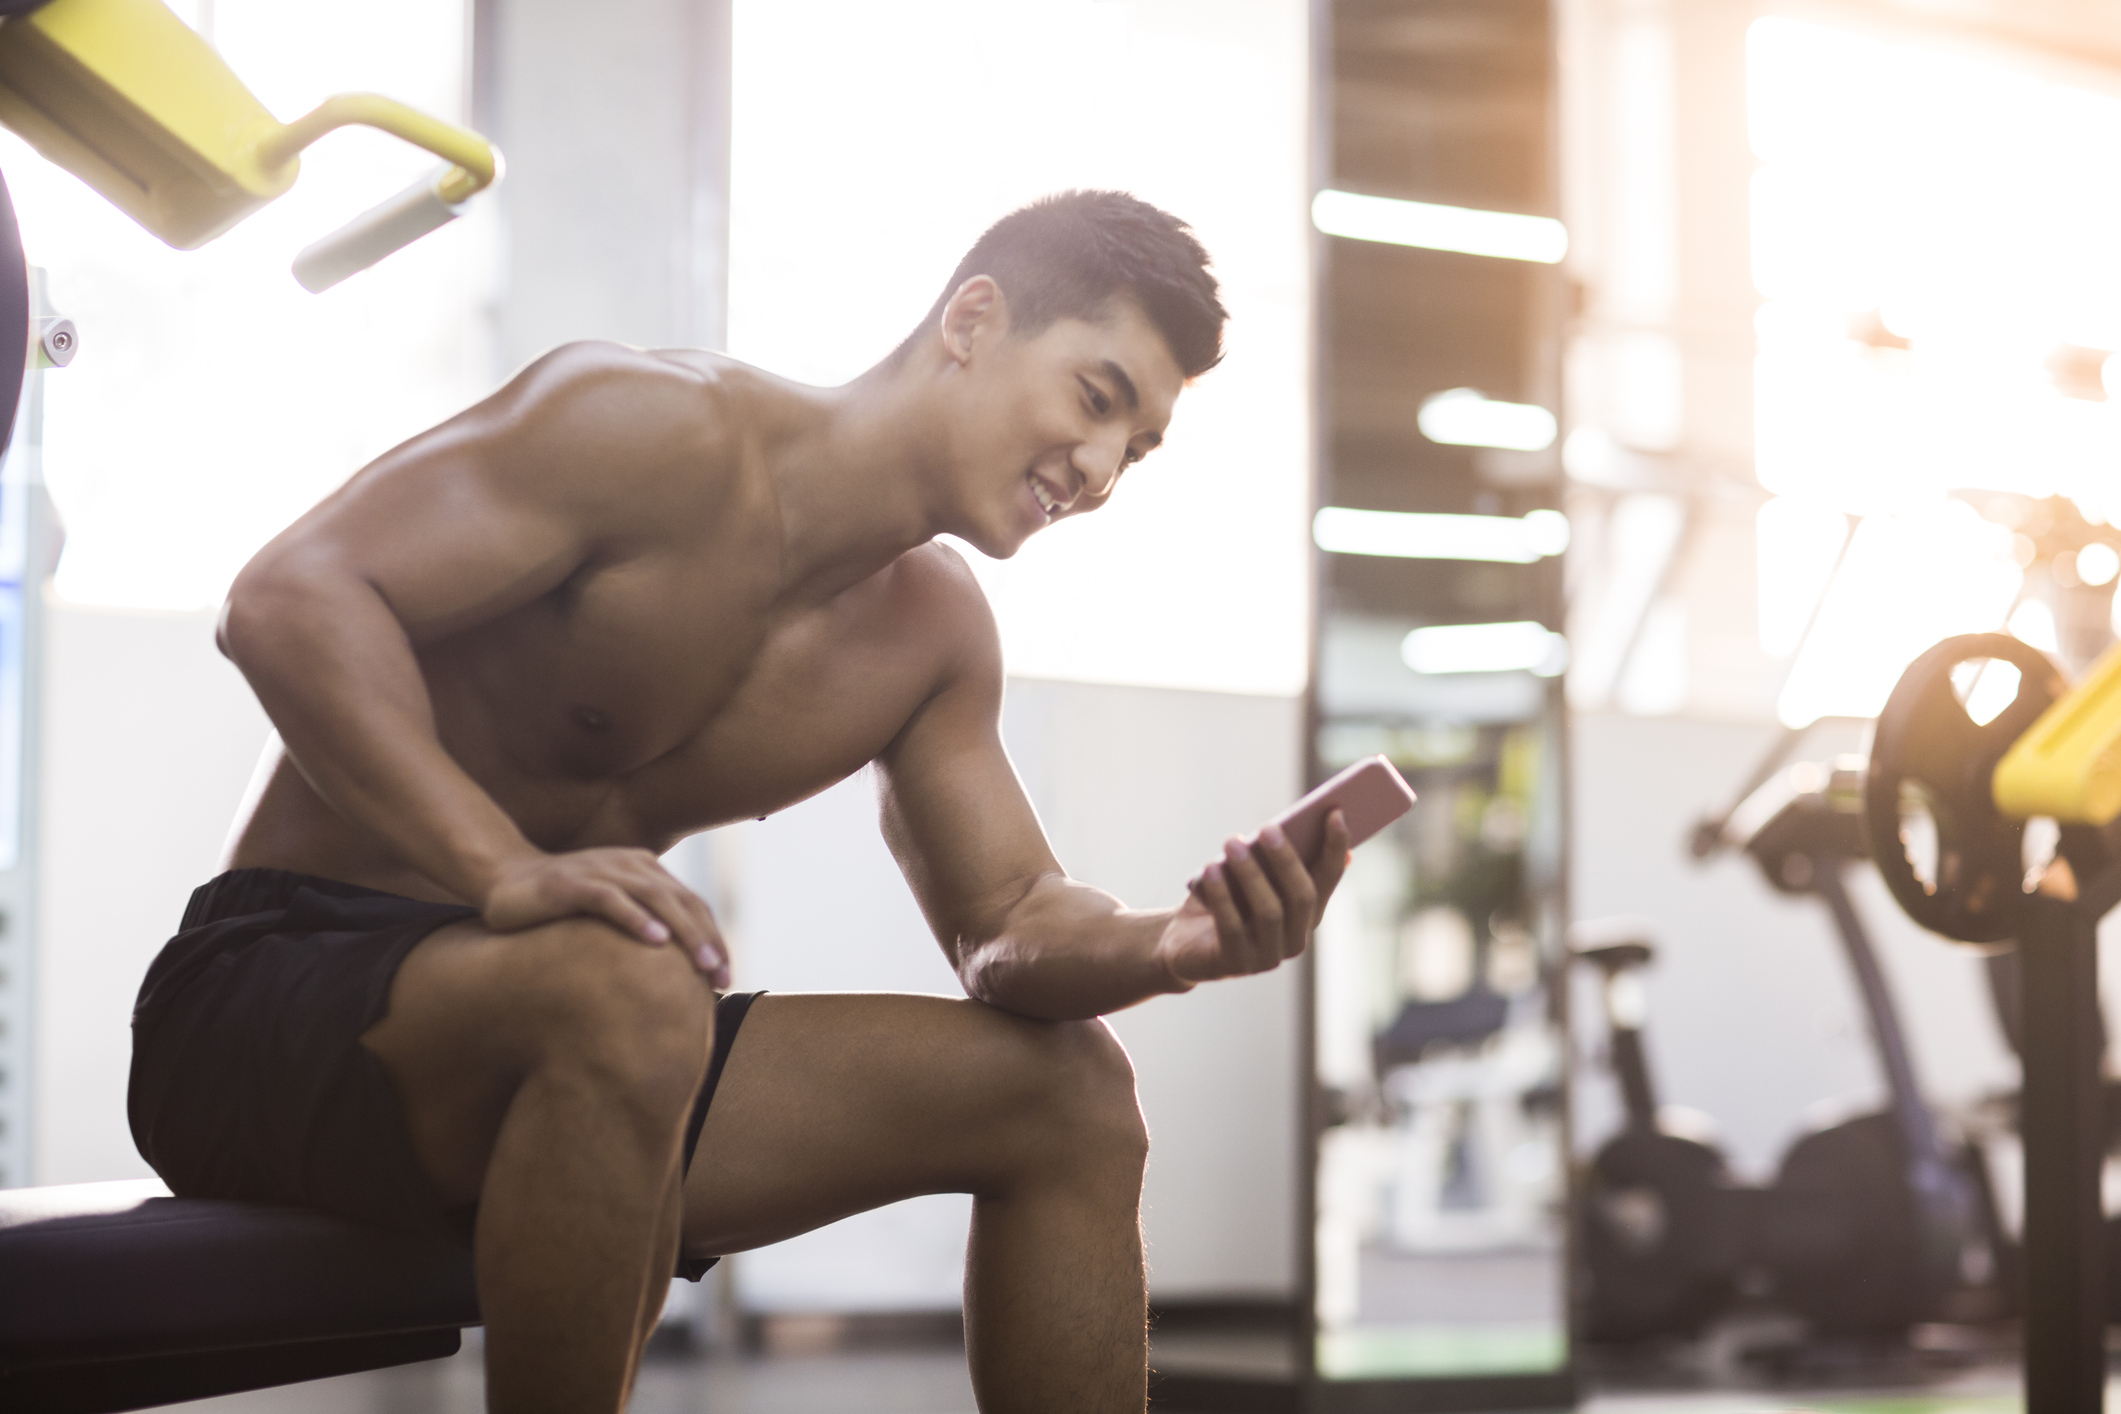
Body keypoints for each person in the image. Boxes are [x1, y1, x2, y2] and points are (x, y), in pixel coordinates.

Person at [127, 190, 1349, 1414]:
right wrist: (501, 867)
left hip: (582, 1035)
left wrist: (1175, 942)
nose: (1097, 470)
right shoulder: (651, 428)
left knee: (1071, 1094)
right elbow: (288, 597)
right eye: (1096, 397)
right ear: (973, 320)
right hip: (269, 996)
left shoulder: (932, 631)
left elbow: (1010, 918)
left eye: (1135, 449)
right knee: (636, 983)